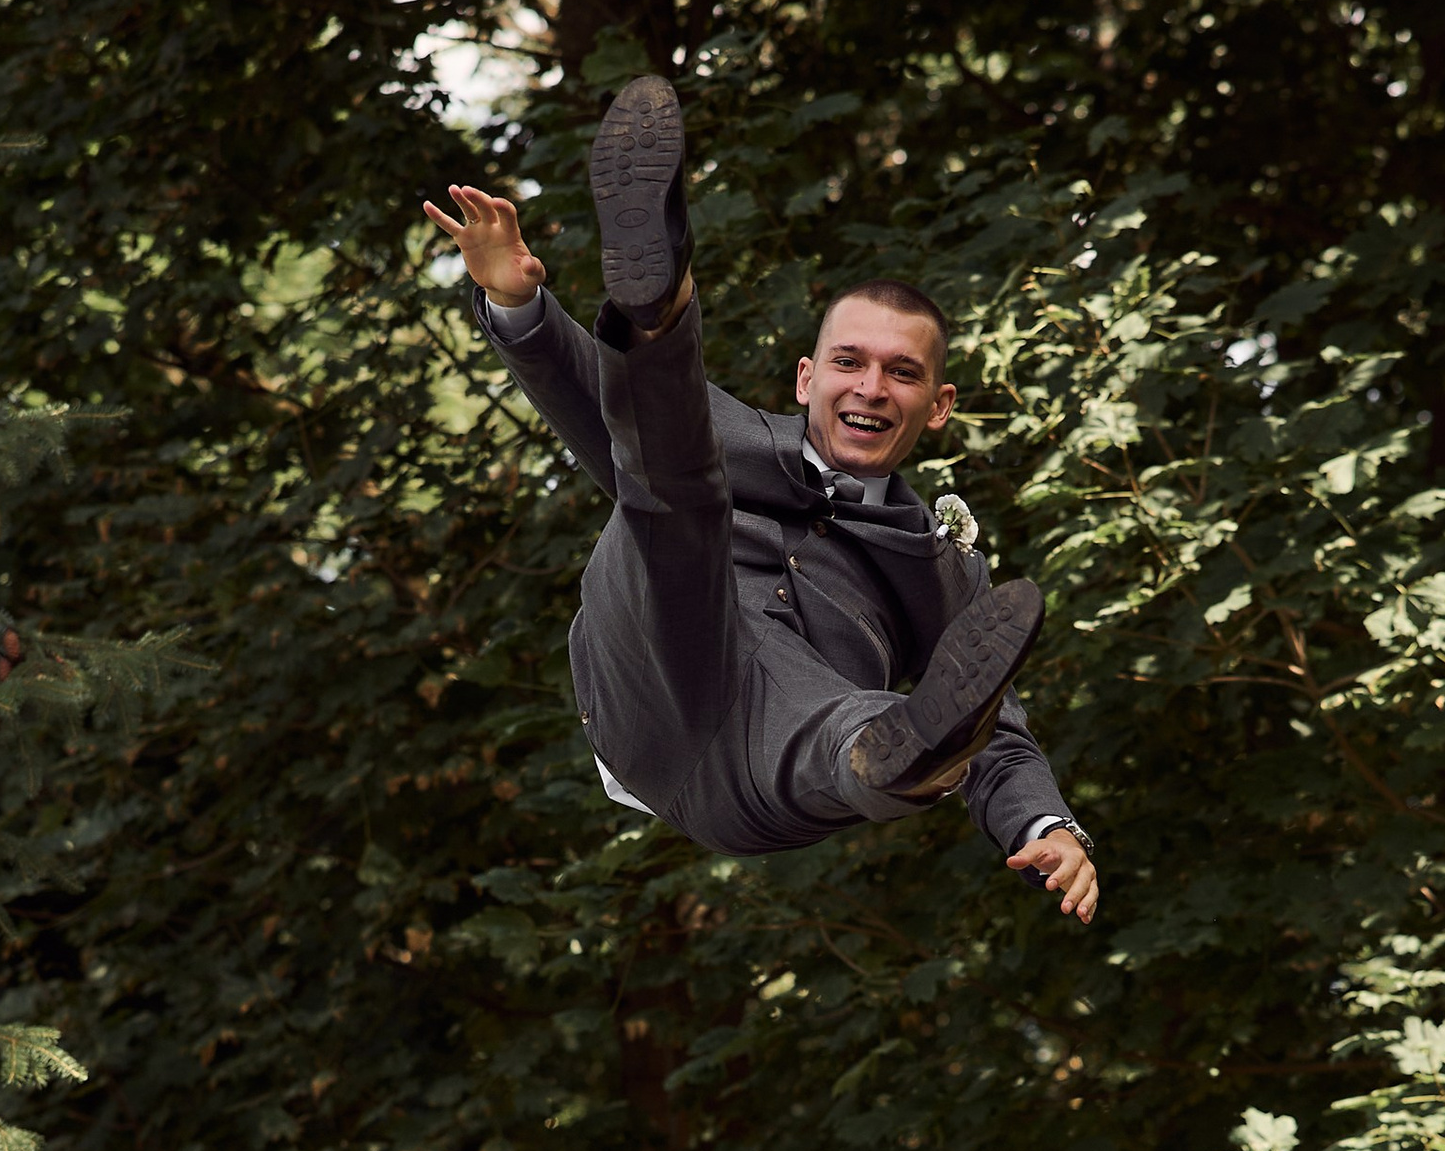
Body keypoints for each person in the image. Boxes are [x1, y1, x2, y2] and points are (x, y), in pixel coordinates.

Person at [425, 77, 1097, 917]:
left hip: (760, 764)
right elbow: (595, 398)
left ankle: (888, 754)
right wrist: (516, 299)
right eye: (850, 361)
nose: (873, 387)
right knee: (673, 482)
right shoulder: (729, 443)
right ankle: (658, 305)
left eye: (904, 372)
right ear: (809, 377)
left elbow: (998, 735)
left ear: (941, 403)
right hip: (650, 678)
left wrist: (1049, 823)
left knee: (850, 726)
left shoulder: (941, 568)